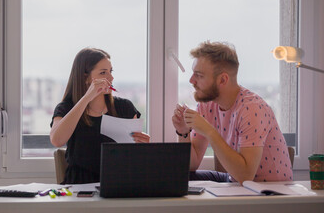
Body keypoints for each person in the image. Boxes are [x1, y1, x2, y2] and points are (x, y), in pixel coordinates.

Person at [172, 41, 293, 184]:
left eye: (199, 75)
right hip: (235, 182)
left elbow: (245, 176)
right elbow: (191, 165)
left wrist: (209, 131)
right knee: (176, 177)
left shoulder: (252, 108)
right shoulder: (208, 105)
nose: (191, 80)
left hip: (269, 192)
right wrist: (183, 132)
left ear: (223, 80)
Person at [50, 47, 149, 184]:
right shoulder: (66, 108)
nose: (111, 77)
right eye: (103, 73)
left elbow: (133, 158)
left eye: (111, 71)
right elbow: (57, 140)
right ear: (85, 78)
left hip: (118, 184)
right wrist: (86, 98)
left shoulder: (125, 107)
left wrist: (144, 147)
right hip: (80, 187)